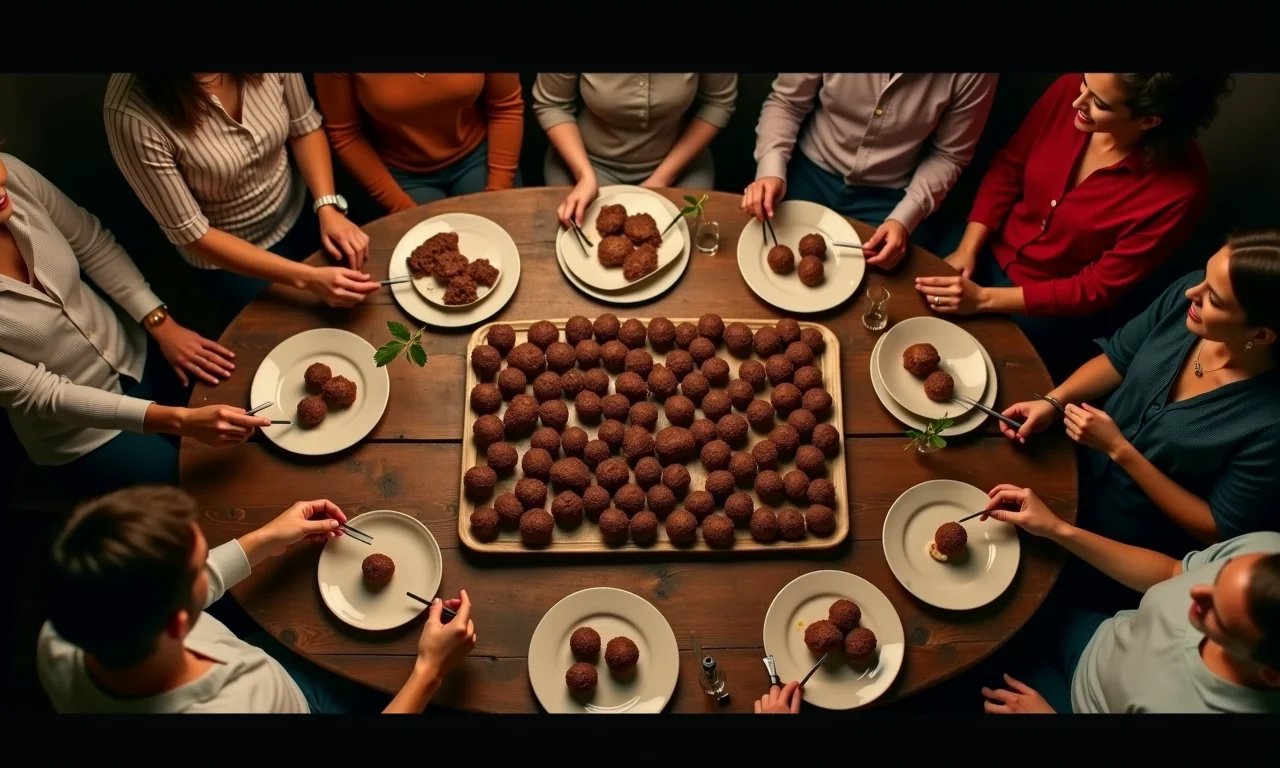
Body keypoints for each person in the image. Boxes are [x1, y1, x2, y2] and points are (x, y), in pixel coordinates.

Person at [38, 486, 477, 713]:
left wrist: (265, 538)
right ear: (177, 624)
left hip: (259, 658)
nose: (209, 563)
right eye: (199, 565)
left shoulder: (63, 633)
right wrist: (430, 670)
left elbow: (168, 587)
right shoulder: (236, 704)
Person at [1000, 230, 1280, 585]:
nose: (1192, 293)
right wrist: (1055, 400)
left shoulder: (1270, 425)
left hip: (1120, 539)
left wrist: (1120, 449)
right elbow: (1119, 358)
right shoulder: (1189, 299)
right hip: (1060, 461)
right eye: (1205, 277)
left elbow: (1218, 529)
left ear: (1261, 335)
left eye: (1215, 298)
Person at [915, 73, 1232, 378]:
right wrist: (967, 248)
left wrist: (983, 299)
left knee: (974, 377)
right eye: (1084, 82)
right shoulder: (1069, 90)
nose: (1076, 101)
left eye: (1100, 103)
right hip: (983, 246)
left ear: (1149, 120)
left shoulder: (1180, 192)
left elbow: (1096, 287)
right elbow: (1009, 167)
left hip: (1045, 308)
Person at [0, 153, 269, 496]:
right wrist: (181, 420)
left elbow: (91, 243)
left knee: (254, 430)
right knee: (207, 490)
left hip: (137, 352)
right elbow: (47, 394)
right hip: (82, 431)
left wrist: (161, 324)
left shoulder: (14, 178)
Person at [976, 484, 1280, 714]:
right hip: (1100, 637)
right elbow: (1172, 571)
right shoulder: (1267, 549)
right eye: (1217, 575)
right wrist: (1056, 528)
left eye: (1217, 616)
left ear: (1269, 674)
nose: (1195, 591)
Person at [104, 73, 378, 324]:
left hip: (300, 209)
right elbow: (192, 233)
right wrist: (307, 279)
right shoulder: (129, 114)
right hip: (227, 255)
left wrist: (327, 206)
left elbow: (304, 127)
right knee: (293, 333)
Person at [742, 73, 998, 270]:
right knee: (762, 259)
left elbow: (949, 155)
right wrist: (770, 169)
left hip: (891, 198)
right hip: (808, 172)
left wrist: (903, 219)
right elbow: (787, 102)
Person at [533, 73, 738, 227]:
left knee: (684, 250)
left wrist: (663, 178)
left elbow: (718, 102)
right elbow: (552, 104)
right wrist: (584, 175)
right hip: (584, 164)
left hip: (680, 165)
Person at [314, 73, 524, 215]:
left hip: (478, 157)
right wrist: (402, 209)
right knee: (428, 268)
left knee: (508, 241)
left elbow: (506, 107)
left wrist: (499, 191)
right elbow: (346, 134)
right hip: (400, 175)